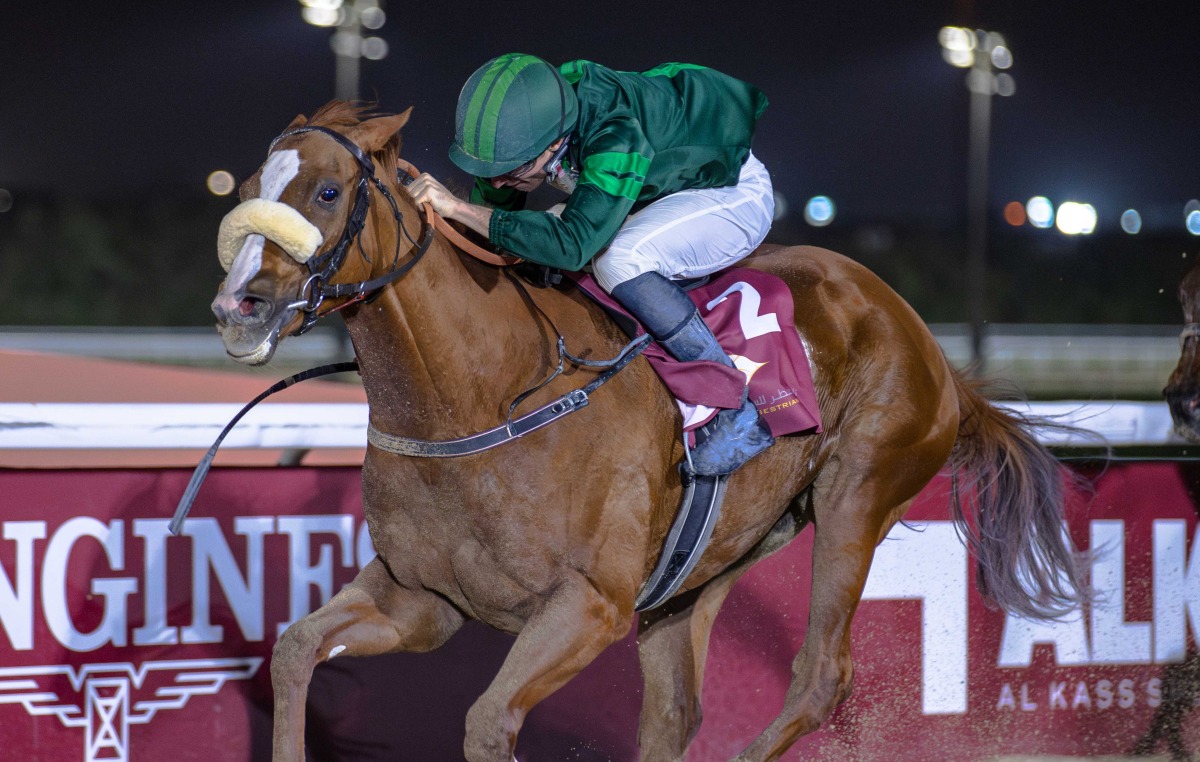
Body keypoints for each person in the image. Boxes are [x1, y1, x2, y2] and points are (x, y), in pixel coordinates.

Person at [408, 53, 775, 477]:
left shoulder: (615, 135)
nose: (497, 181)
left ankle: (738, 407)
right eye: (490, 170)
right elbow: (488, 217)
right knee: (530, 231)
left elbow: (574, 247)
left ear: (554, 143)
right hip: (656, 189)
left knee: (619, 260)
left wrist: (456, 208)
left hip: (731, 193)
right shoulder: (544, 114)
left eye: (513, 170)